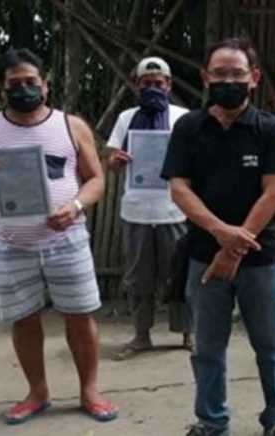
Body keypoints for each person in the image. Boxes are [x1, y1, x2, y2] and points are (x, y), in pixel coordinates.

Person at [0, 48, 118, 424]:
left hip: (66, 240)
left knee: (79, 316)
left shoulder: (71, 126)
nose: (24, 89)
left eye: (31, 82)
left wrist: (76, 207)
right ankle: (37, 392)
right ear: (3, 89)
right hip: (10, 243)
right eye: (15, 84)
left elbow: (96, 179)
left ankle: (89, 391)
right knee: (24, 319)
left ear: (45, 86)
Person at [161, 38, 275, 436]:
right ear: (205, 77)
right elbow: (179, 189)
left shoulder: (270, 130)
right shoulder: (188, 128)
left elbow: (274, 192)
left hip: (260, 258)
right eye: (219, 74)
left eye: (237, 74)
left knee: (270, 346)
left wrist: (235, 247)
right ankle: (211, 421)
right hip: (204, 255)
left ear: (253, 79)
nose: (228, 81)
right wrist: (220, 233)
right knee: (207, 348)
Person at [106, 56, 194, 360]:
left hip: (175, 210)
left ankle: (187, 334)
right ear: (137, 85)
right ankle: (141, 336)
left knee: (180, 275)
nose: (152, 87)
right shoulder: (126, 118)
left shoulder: (184, 118)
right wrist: (115, 162)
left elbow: (198, 161)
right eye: (146, 83)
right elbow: (112, 159)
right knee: (138, 278)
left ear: (168, 85)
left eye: (159, 83)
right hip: (137, 211)